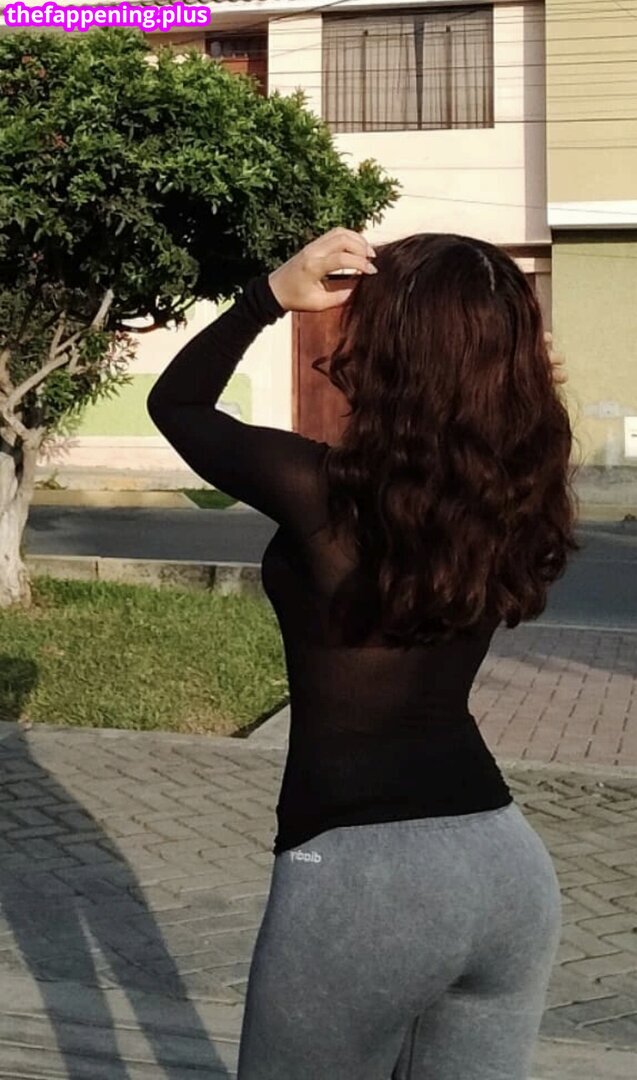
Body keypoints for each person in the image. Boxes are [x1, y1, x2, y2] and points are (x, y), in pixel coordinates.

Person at [147, 228, 577, 1080]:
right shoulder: (515, 489)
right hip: (506, 870)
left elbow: (180, 405)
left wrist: (268, 296)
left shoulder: (318, 492)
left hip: (359, 878)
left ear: (387, 349)